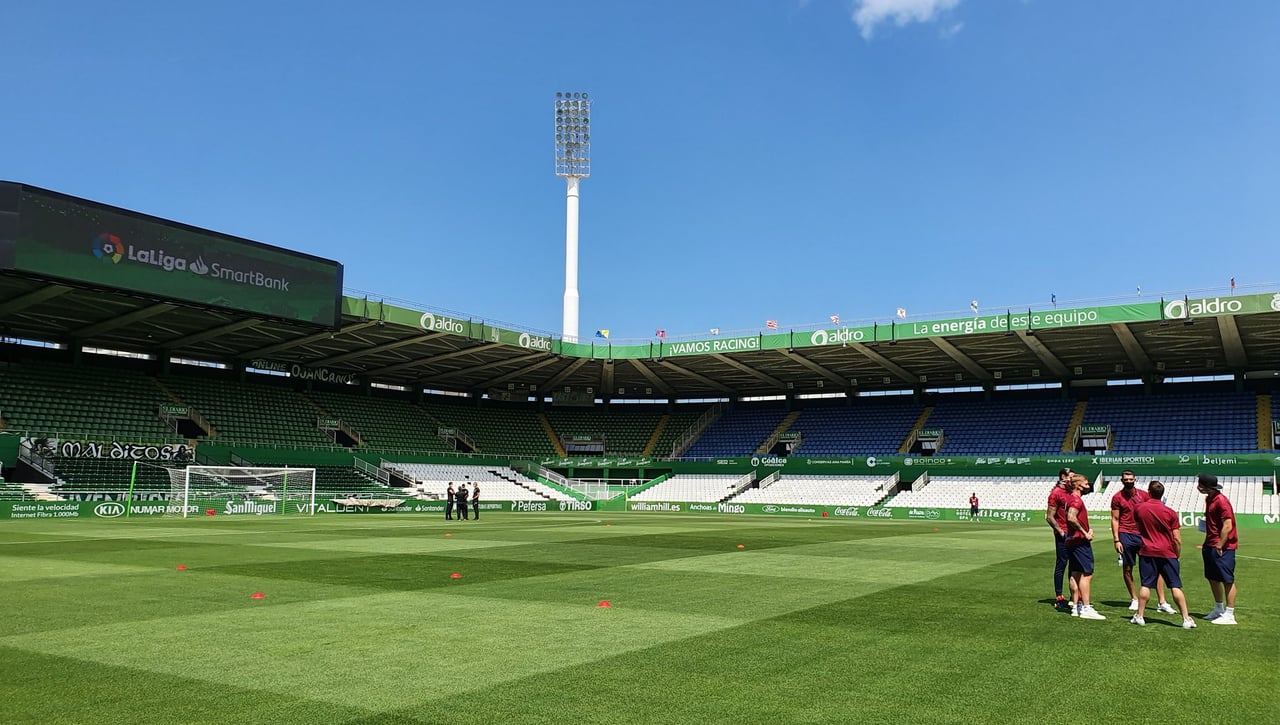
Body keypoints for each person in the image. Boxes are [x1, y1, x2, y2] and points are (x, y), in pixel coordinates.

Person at [1130, 481, 1195, 629]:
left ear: (1149, 492)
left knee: (1146, 585)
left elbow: (1139, 528)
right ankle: (1186, 618)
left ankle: (1140, 615)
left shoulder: (1139, 508)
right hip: (1167, 553)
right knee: (1175, 586)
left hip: (1147, 551)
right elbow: (1177, 538)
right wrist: (1176, 554)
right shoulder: (1170, 512)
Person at [1110, 470, 1174, 614]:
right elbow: (1115, 519)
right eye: (1125, 479)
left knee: (1156, 568)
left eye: (1130, 479)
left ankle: (1162, 601)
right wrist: (1116, 539)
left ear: (1135, 479)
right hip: (1125, 534)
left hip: (1144, 535)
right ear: (1121, 480)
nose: (1128, 481)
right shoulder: (1117, 497)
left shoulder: (1144, 495)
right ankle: (1134, 598)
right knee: (1127, 568)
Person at [1198, 473, 1238, 625]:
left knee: (1227, 579)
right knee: (1212, 577)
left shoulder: (1222, 501)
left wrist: (1220, 544)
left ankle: (1230, 613)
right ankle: (1218, 608)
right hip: (1210, 543)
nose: (1198, 487)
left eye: (1200, 484)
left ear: (1207, 486)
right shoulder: (1209, 498)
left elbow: (1228, 525)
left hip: (1223, 546)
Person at [1065, 473, 1105, 619]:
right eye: (1086, 483)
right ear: (1078, 485)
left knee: (1075, 573)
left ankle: (1076, 607)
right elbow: (1071, 517)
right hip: (1079, 541)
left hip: (1071, 541)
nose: (1088, 485)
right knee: (1086, 574)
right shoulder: (1076, 500)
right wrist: (1085, 532)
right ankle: (1086, 607)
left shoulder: (1070, 499)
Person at [1046, 468, 1079, 611]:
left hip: (1074, 533)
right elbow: (1049, 516)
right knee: (1061, 564)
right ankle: (1059, 597)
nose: (1072, 480)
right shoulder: (1056, 494)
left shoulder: (1070, 492)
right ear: (1063, 477)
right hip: (1063, 534)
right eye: (1071, 477)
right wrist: (1060, 531)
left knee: (1075, 565)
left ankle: (1074, 596)